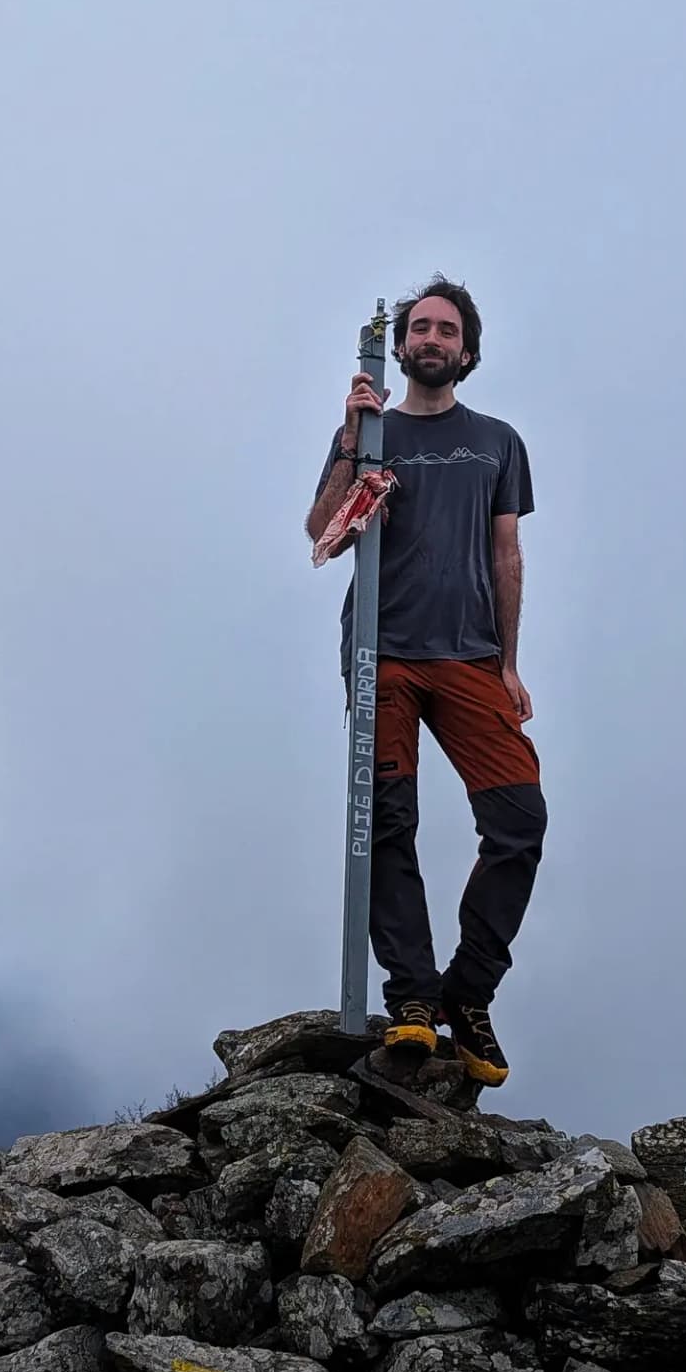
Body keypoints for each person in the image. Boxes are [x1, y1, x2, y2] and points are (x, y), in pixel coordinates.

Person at [305, 276, 546, 1086]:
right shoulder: (372, 434)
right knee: (386, 823)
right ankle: (411, 997)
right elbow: (323, 534)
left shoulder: (498, 442)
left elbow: (506, 554)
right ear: (402, 345)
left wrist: (508, 662)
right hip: (385, 653)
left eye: (447, 330)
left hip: (471, 657)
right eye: (421, 328)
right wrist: (352, 437)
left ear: (467, 352)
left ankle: (467, 992)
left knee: (519, 822)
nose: (432, 339)